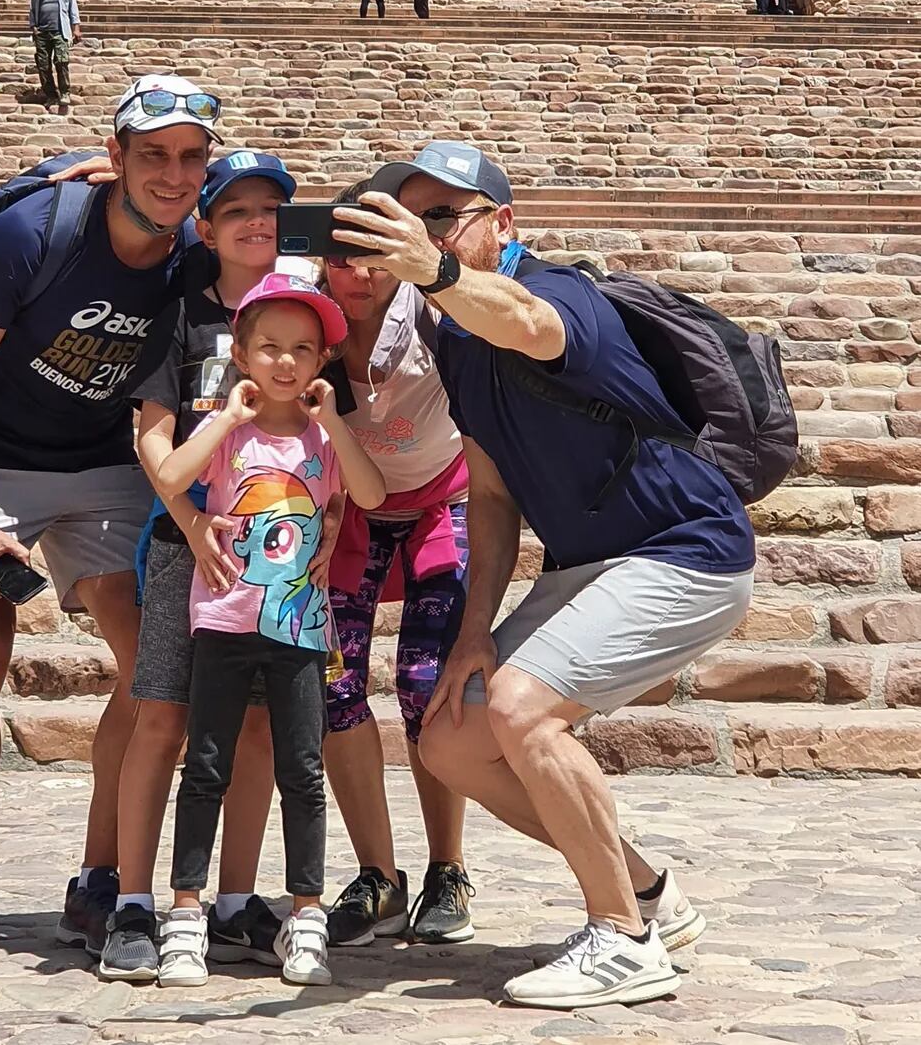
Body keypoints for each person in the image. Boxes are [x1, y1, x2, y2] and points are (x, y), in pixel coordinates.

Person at [333, 142, 755, 1011]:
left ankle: (621, 940)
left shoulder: (560, 293)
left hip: (686, 547)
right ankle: (645, 893)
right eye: (413, 216)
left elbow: (524, 321)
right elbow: (487, 494)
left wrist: (435, 267)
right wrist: (474, 630)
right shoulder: (454, 345)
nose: (424, 231)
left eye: (445, 215)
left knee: (522, 709)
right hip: (589, 567)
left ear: (503, 224)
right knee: (450, 736)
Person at [0, 74, 222, 968]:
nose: (172, 173)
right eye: (152, 153)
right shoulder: (31, 233)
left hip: (102, 461)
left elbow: (280, 243)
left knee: (149, 664)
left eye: (189, 156)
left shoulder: (193, 246)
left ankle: (99, 878)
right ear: (116, 155)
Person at [98, 150, 298, 984]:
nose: (257, 220)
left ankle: (234, 899)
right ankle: (135, 902)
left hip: (277, 557)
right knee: (162, 717)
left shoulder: (302, 313)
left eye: (269, 208)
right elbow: (152, 432)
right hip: (191, 549)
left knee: (256, 725)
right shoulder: (179, 313)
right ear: (205, 227)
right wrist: (189, 519)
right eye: (237, 208)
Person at [155, 274, 387, 989]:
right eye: (269, 348)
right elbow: (171, 475)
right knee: (205, 768)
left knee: (302, 773)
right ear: (243, 353)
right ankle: (187, 912)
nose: (284, 362)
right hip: (224, 616)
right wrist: (225, 417)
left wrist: (336, 429)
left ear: (319, 361)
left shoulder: (322, 435)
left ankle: (307, 913)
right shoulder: (227, 433)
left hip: (300, 628)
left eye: (301, 349)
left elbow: (367, 493)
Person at [321, 183, 474, 950]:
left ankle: (447, 866)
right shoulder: (300, 317)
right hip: (346, 511)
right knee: (333, 686)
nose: (360, 273)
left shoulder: (432, 309)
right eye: (342, 256)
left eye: (376, 254)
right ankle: (378, 874)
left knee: (427, 684)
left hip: (439, 501)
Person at [29, 0, 82, 117]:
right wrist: (34, 28)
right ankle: (51, 94)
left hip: (60, 32)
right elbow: (32, 12)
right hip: (42, 33)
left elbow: (73, 10)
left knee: (61, 61)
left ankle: (65, 92)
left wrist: (76, 29)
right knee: (43, 65)